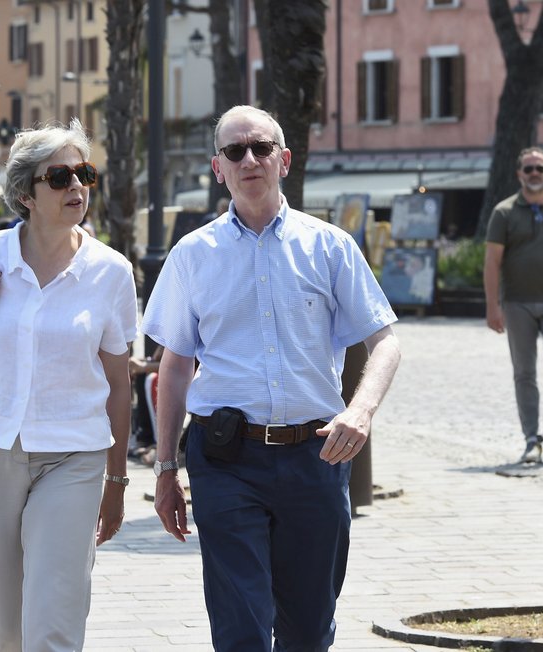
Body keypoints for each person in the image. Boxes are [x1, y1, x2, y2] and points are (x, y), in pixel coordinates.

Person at [142, 105, 401, 652]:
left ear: (283, 160)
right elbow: (174, 364)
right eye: (235, 151)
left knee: (309, 631)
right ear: (218, 168)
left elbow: (385, 341)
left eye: (261, 148)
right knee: (241, 629)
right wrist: (166, 468)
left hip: (317, 456)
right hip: (226, 459)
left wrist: (361, 410)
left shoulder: (330, 246)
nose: (249, 159)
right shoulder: (192, 256)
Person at [0, 118, 136, 650]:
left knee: (54, 622)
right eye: (60, 177)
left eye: (84, 174)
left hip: (73, 456)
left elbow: (118, 382)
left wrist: (117, 481)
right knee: (3, 625)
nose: (76, 187)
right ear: (25, 193)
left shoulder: (111, 271)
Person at [483, 146, 543, 465]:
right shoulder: (503, 212)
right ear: (519, 174)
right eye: (528, 169)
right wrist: (493, 306)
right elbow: (492, 262)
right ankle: (532, 437)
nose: (534, 174)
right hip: (517, 305)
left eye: (539, 168)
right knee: (524, 373)